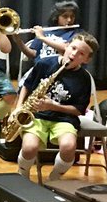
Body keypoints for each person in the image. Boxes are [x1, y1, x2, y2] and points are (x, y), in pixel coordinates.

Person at [13, 33, 97, 181]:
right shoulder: (44, 64)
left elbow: (78, 110)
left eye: (81, 53)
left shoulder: (84, 78)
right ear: (66, 46)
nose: (74, 54)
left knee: (69, 147)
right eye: (73, 48)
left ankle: (54, 178)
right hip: (37, 115)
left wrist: (54, 106)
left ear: (87, 60)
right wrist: (19, 107)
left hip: (64, 119)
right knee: (29, 147)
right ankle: (23, 174)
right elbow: (26, 86)